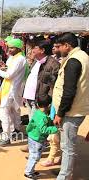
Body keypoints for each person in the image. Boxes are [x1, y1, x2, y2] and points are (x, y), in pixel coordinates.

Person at [52, 32, 89, 180]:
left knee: (67, 146)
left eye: (59, 46)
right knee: (67, 145)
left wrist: (60, 113)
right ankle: (65, 171)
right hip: (77, 108)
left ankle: (65, 176)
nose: (57, 49)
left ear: (67, 45)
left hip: (71, 111)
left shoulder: (73, 61)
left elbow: (69, 91)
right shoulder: (84, 56)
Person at [0, 38, 27, 147]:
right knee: (12, 112)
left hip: (12, 89)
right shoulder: (13, 58)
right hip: (9, 88)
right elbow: (9, 71)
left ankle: (6, 137)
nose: (9, 49)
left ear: (18, 48)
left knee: (4, 113)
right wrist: (3, 68)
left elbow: (9, 75)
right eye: (9, 47)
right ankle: (14, 131)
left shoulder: (20, 59)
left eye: (12, 48)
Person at [24, 96, 58, 179]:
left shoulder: (37, 113)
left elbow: (30, 125)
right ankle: (28, 173)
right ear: (49, 105)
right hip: (37, 140)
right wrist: (55, 129)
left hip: (32, 137)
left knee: (33, 155)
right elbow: (43, 129)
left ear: (38, 104)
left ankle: (30, 170)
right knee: (35, 156)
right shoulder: (42, 117)